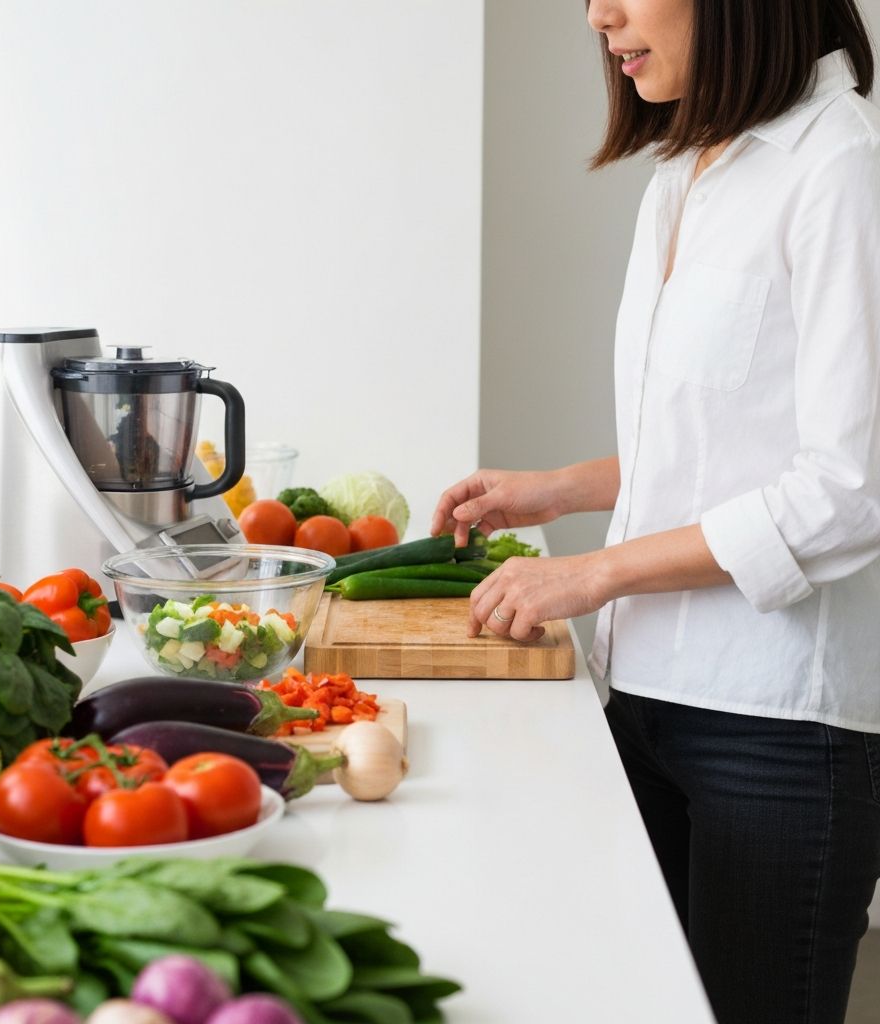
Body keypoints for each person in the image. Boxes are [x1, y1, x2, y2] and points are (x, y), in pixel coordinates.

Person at [431, 2, 880, 1022]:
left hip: (773, 731)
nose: (600, 14)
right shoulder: (684, 172)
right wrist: (555, 490)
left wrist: (592, 571)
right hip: (640, 693)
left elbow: (850, 489)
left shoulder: (840, 166)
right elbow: (725, 443)